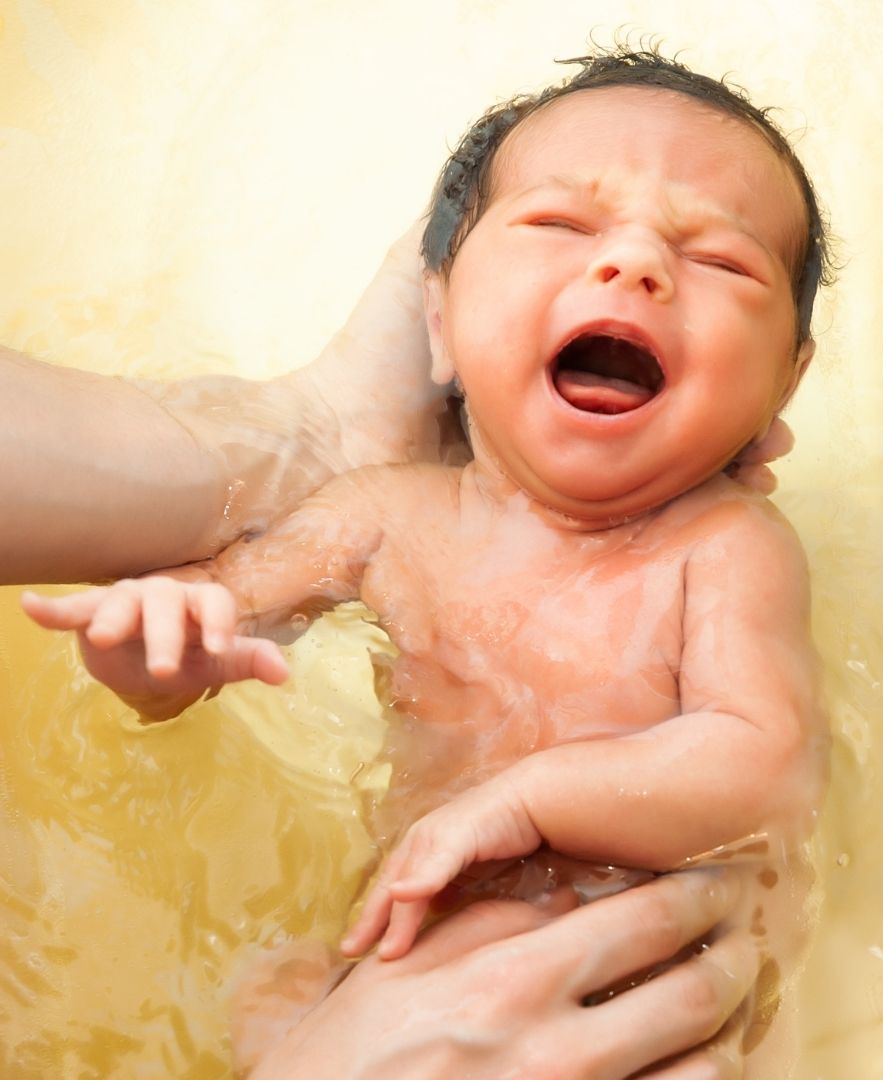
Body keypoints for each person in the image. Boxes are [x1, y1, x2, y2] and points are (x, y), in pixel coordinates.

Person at [23, 46, 831, 1074]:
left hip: (652, 988)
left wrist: (528, 801)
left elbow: (765, 763)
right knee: (273, 990)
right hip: (402, 967)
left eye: (722, 261)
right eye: (558, 225)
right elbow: (224, 611)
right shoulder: (385, 514)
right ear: (439, 323)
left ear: (783, 386)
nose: (636, 265)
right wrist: (159, 652)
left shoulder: (726, 548)